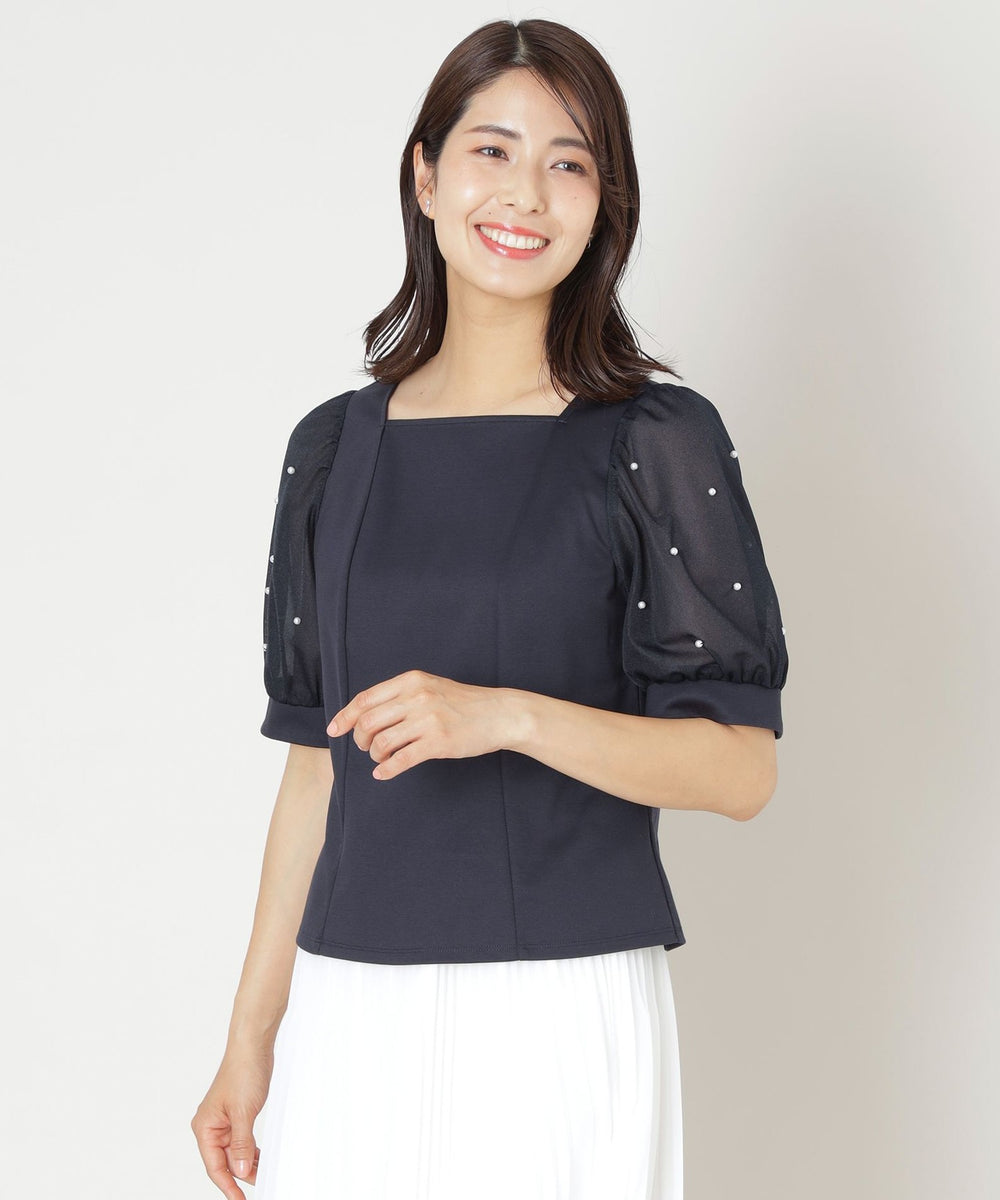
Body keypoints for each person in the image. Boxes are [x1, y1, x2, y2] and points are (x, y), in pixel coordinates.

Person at [191, 17, 789, 1200]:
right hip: (351, 1005)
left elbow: (741, 770)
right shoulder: (331, 450)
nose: (525, 193)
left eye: (569, 162)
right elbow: (316, 769)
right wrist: (250, 1040)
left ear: (604, 204)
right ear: (424, 176)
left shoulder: (653, 442)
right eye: (492, 151)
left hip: (554, 1007)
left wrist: (507, 716)